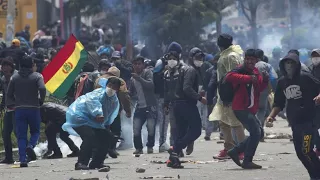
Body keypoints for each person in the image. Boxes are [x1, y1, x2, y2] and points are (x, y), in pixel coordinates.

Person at [266, 53, 320, 179]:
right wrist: (271, 116)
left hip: (309, 121)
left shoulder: (305, 77)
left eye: (292, 63)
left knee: (306, 149)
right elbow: (278, 102)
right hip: (295, 122)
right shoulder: (282, 82)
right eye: (287, 63)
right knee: (300, 153)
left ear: (297, 65)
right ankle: (314, 174)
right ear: (283, 65)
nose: (289, 66)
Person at [62, 77, 121, 170]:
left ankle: (97, 163)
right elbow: (92, 101)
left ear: (117, 89)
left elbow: (110, 114)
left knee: (107, 136)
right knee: (89, 136)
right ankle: (81, 163)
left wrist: (104, 123)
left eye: (114, 87)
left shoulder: (114, 101)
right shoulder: (98, 93)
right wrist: (97, 113)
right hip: (80, 117)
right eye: (110, 85)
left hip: (94, 122)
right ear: (106, 85)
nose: (111, 88)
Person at [226, 49, 268, 169]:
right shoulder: (240, 69)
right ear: (244, 59)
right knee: (256, 132)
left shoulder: (255, 71)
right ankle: (247, 160)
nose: (249, 61)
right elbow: (229, 76)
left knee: (259, 133)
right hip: (240, 107)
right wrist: (248, 78)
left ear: (256, 61)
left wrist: (264, 80)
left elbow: (259, 88)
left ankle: (236, 151)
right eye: (247, 59)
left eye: (252, 59)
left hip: (250, 108)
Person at [166, 47, 207, 169]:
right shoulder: (190, 70)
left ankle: (172, 160)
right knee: (196, 130)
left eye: (201, 58)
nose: (199, 60)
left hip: (178, 104)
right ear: (190, 58)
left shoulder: (182, 69)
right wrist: (200, 98)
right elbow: (187, 88)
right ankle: (175, 149)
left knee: (181, 132)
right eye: (197, 58)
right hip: (186, 104)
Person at [209, 34, 245, 160]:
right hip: (224, 95)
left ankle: (242, 150)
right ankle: (229, 148)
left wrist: (230, 97)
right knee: (223, 122)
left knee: (235, 123)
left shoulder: (230, 57)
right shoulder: (231, 54)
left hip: (229, 96)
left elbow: (233, 77)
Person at [6, 56, 46, 167]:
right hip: (34, 108)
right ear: (31, 65)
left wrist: (14, 102)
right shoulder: (37, 76)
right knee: (35, 132)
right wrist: (41, 100)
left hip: (19, 109)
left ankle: (23, 160)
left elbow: (9, 94)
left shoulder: (14, 78)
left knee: (21, 136)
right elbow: (42, 88)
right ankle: (31, 146)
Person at [94, 66, 132, 158]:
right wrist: (128, 110)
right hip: (113, 109)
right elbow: (124, 96)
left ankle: (101, 150)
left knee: (101, 130)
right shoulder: (120, 81)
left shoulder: (98, 79)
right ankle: (111, 148)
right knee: (115, 130)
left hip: (99, 109)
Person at [129, 56, 157, 154]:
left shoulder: (147, 73)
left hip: (150, 106)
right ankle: (138, 148)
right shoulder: (132, 78)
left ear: (143, 65)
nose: (137, 66)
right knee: (136, 128)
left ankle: (150, 146)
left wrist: (139, 78)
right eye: (135, 64)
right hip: (139, 106)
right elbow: (131, 92)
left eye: (139, 64)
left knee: (150, 127)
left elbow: (150, 85)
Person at [0, 59, 17, 164]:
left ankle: (28, 154)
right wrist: (2, 106)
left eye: (6, 66)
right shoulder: (3, 78)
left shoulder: (16, 77)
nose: (4, 68)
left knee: (18, 132)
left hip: (18, 108)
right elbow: (5, 94)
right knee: (5, 133)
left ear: (11, 67)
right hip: (9, 109)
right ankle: (9, 157)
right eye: (2, 66)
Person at [307, 49, 320, 157]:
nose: (315, 58)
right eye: (313, 56)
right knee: (314, 125)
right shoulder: (311, 68)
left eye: (317, 56)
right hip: (313, 101)